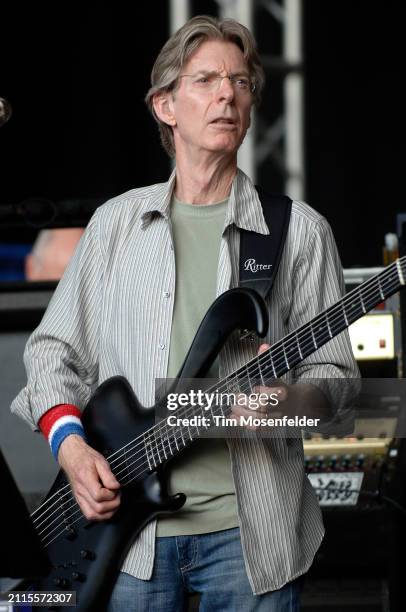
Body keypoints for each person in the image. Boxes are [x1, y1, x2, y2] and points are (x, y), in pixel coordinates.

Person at [11, 15, 359, 611]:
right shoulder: (115, 226)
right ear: (165, 106)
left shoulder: (298, 232)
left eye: (241, 82)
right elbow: (51, 353)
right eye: (206, 80)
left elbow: (340, 380)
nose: (228, 93)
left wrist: (289, 402)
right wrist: (70, 446)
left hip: (252, 537)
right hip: (129, 538)